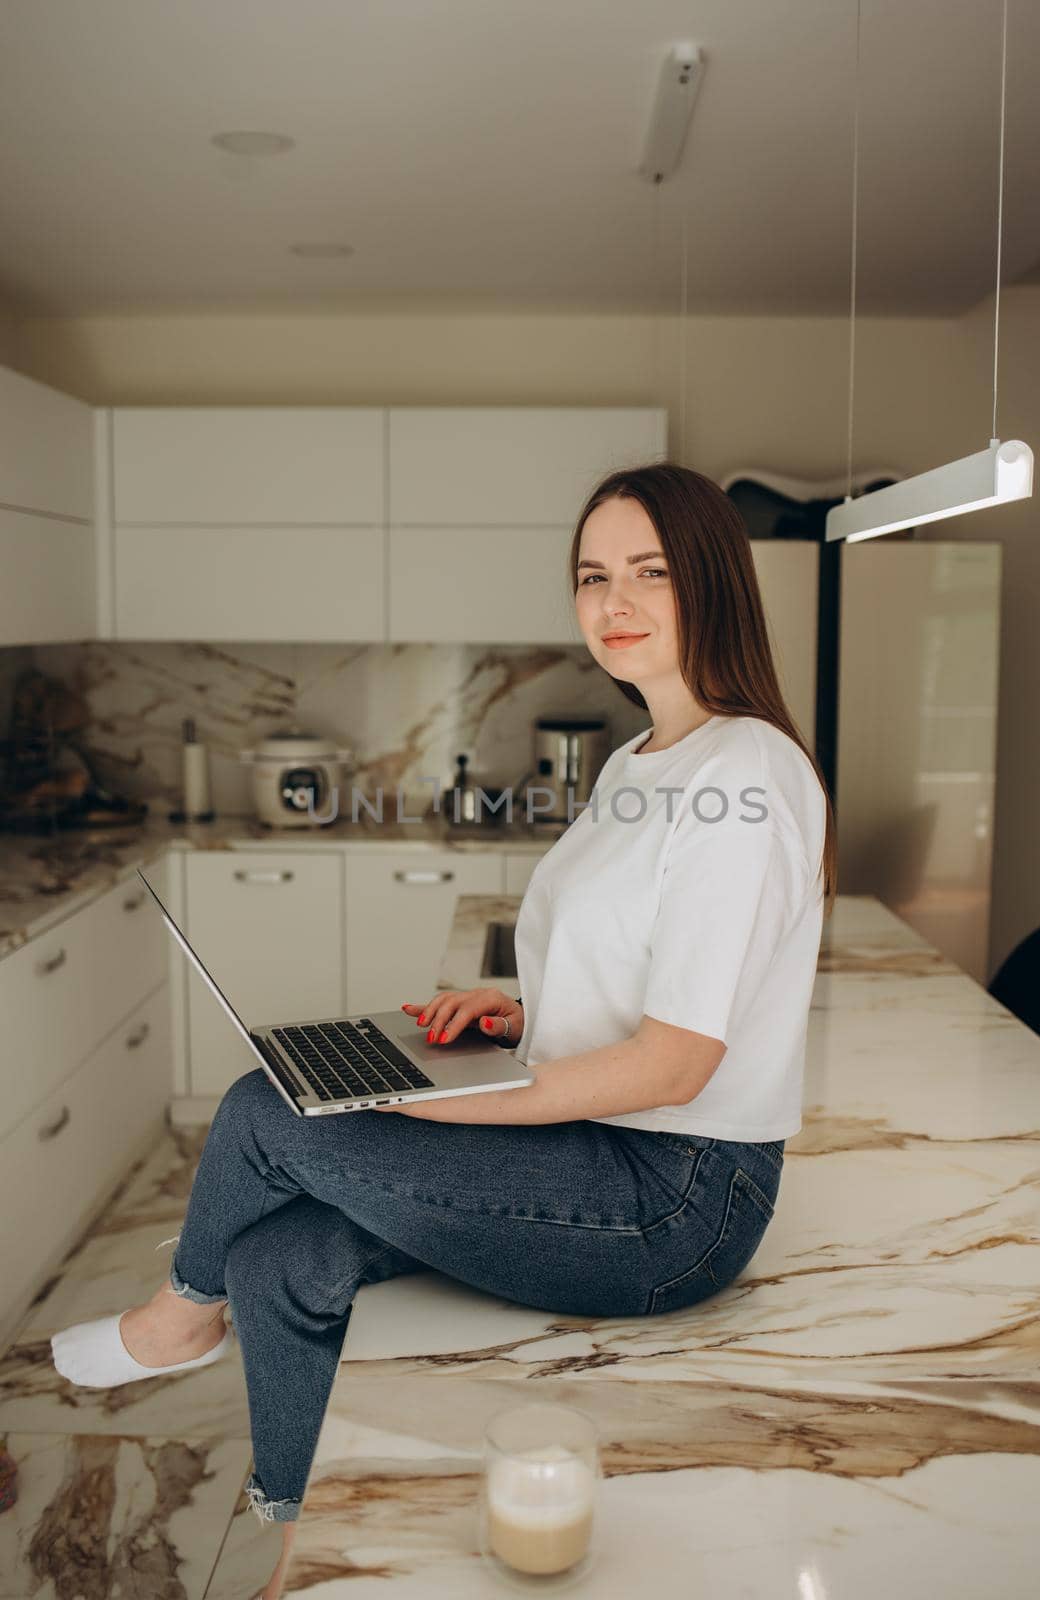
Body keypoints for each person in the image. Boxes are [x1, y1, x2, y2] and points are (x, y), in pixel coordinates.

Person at [51, 461, 836, 1600]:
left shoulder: (746, 774)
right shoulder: (643, 760)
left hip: (676, 1198)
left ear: (710, 580)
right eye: (591, 575)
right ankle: (291, 1535)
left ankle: (176, 1316)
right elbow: (653, 976)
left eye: (649, 572)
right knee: (279, 1253)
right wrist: (520, 1012)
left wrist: (442, 1102)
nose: (613, 603)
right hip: (605, 1142)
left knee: (269, 1110)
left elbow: (676, 1063)